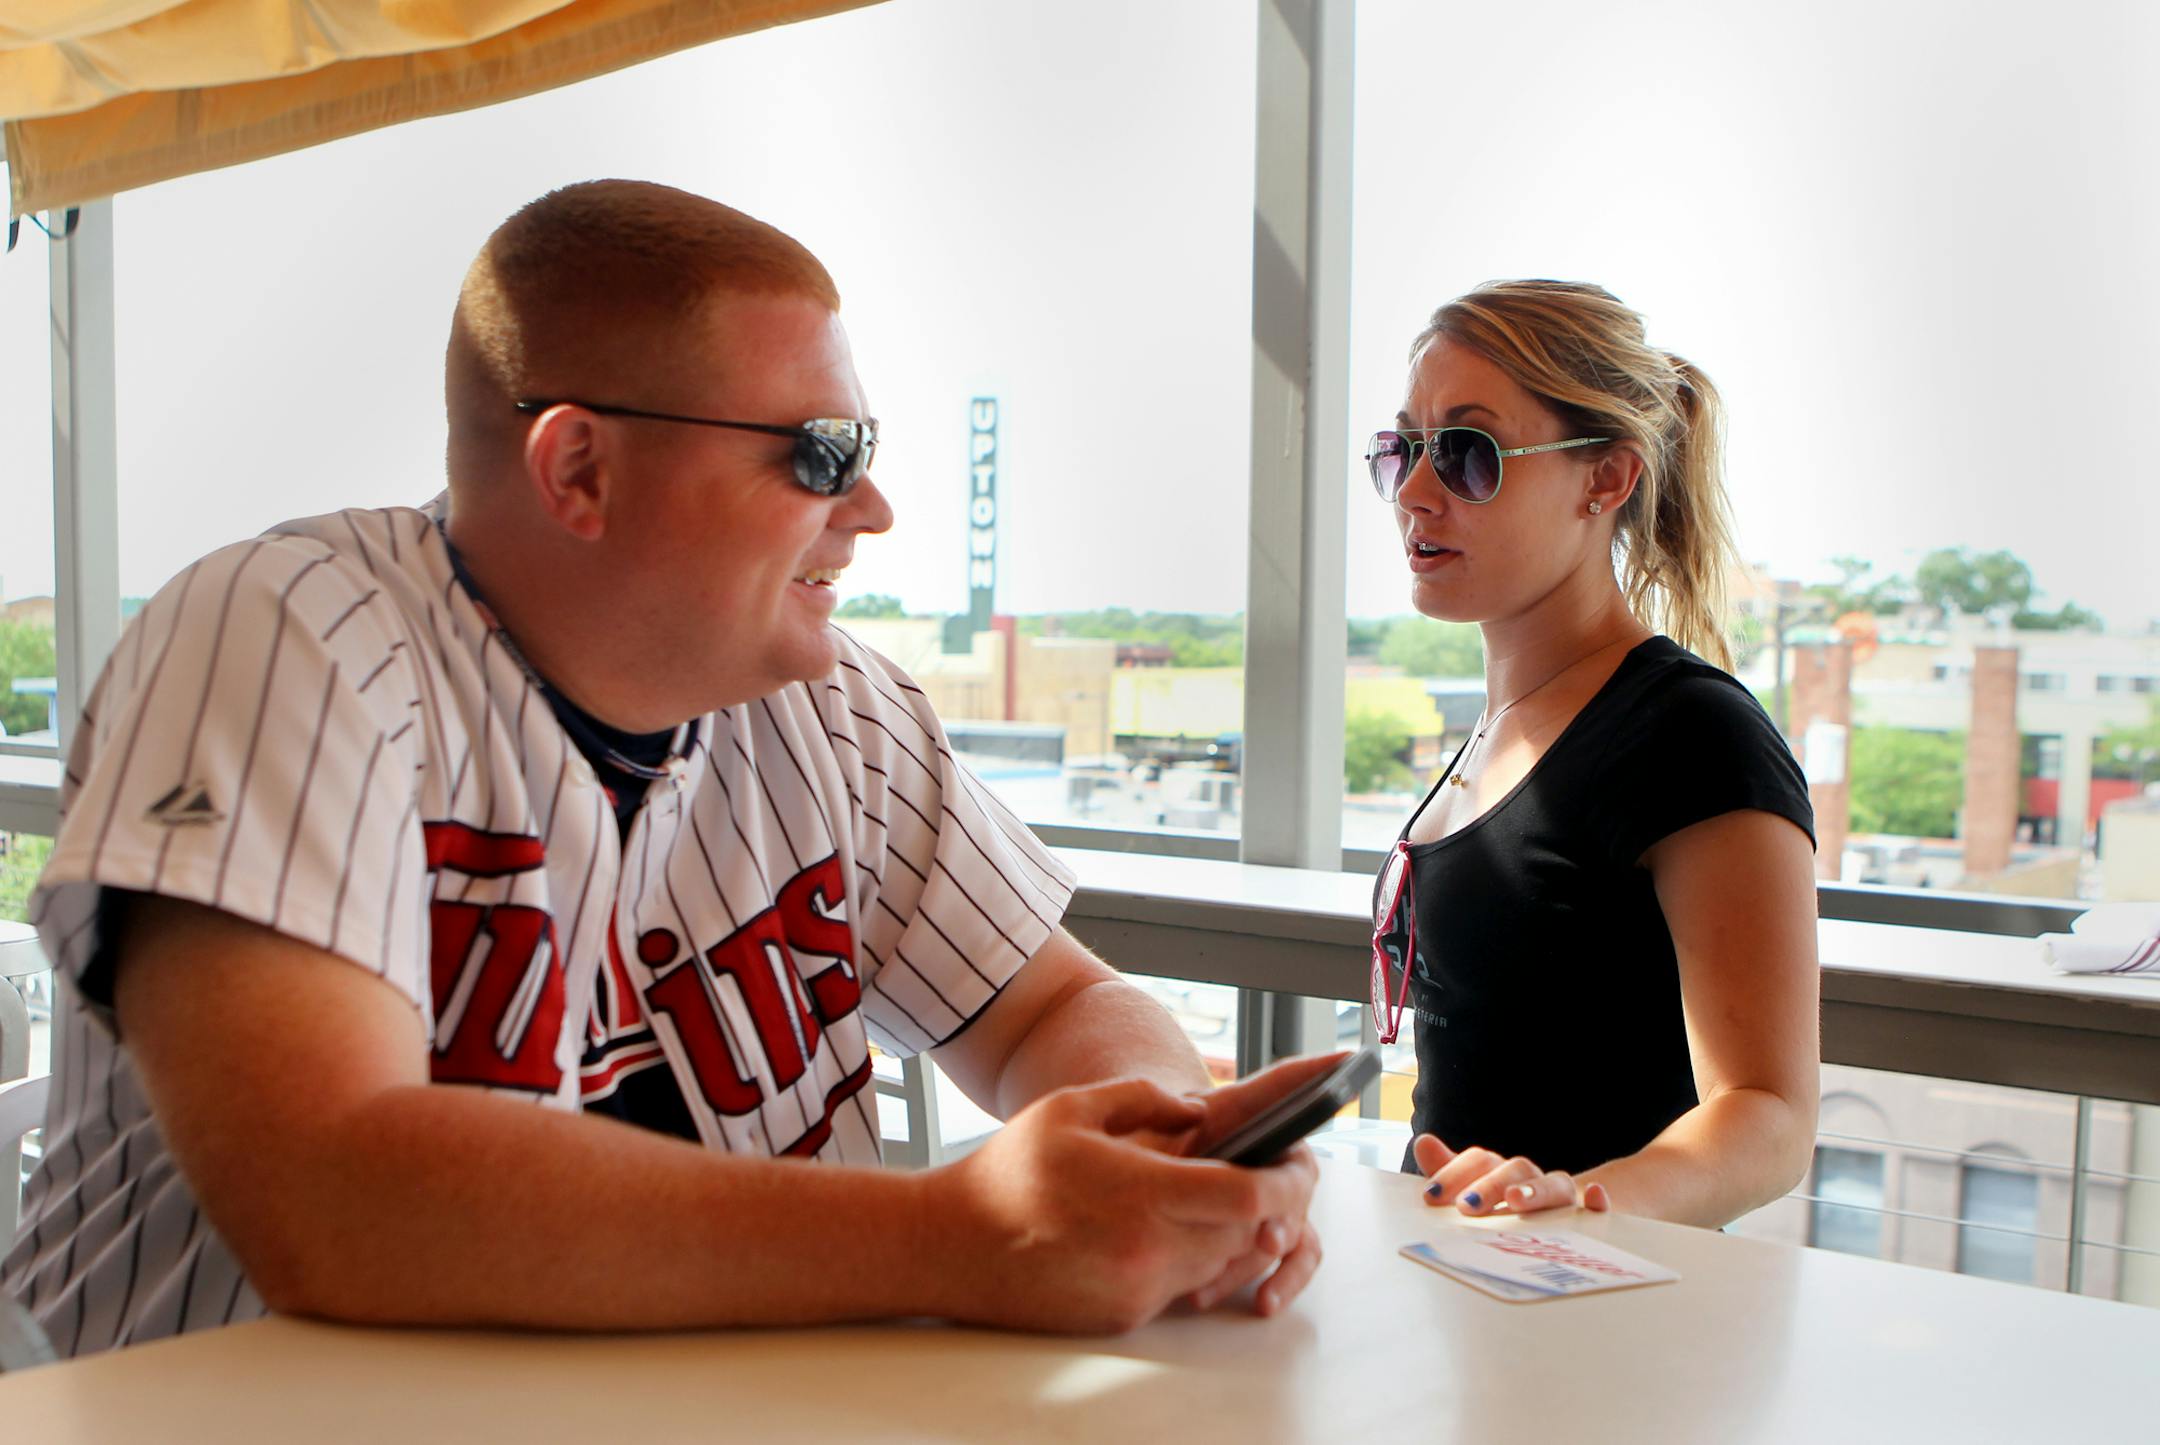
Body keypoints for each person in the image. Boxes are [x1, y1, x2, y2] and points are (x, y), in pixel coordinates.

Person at [2, 180, 1327, 1357]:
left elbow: (1051, 1011)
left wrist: (1158, 1160)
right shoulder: (283, 636)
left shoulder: (837, 705)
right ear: (580, 465)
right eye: (820, 455)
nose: (871, 510)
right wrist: (962, 1231)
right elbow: (334, 1192)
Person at [1364, 280, 1820, 1227]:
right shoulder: (1500, 723)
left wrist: (1581, 1200)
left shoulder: (1691, 735)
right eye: (1403, 448)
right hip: (1463, 1291)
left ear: (1604, 479)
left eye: (1466, 453)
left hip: (1601, 1318)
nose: (1414, 490)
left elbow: (1769, 1114)